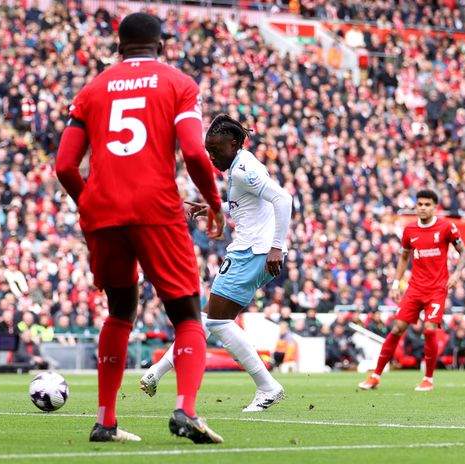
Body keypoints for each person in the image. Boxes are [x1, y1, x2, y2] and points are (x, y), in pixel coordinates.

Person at [55, 12, 224, 444]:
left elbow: (64, 165)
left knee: (119, 310)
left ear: (118, 46)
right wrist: (214, 203)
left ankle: (105, 420)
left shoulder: (91, 90)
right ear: (162, 45)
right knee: (187, 315)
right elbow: (192, 151)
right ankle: (186, 409)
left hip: (103, 212)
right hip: (156, 208)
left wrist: (92, 201)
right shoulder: (178, 83)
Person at [140, 114, 291, 413]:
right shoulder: (238, 165)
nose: (211, 157)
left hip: (254, 252)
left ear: (234, 144)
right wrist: (213, 207)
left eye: (216, 150)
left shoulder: (242, 170)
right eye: (208, 151)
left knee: (215, 322)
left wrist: (275, 247)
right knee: (208, 321)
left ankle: (268, 386)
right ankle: (155, 373)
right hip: (253, 251)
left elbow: (283, 199)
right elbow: (247, 204)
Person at [359, 189, 465, 391]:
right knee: (396, 328)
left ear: (435, 207)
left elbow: (463, 253)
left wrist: (456, 274)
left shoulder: (446, 227)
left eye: (427, 205)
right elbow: (403, 257)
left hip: (437, 289)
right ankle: (375, 376)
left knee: (429, 329)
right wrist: (395, 283)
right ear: (416, 206)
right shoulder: (409, 231)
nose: (423, 208)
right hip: (415, 289)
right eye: (420, 204)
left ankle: (428, 378)